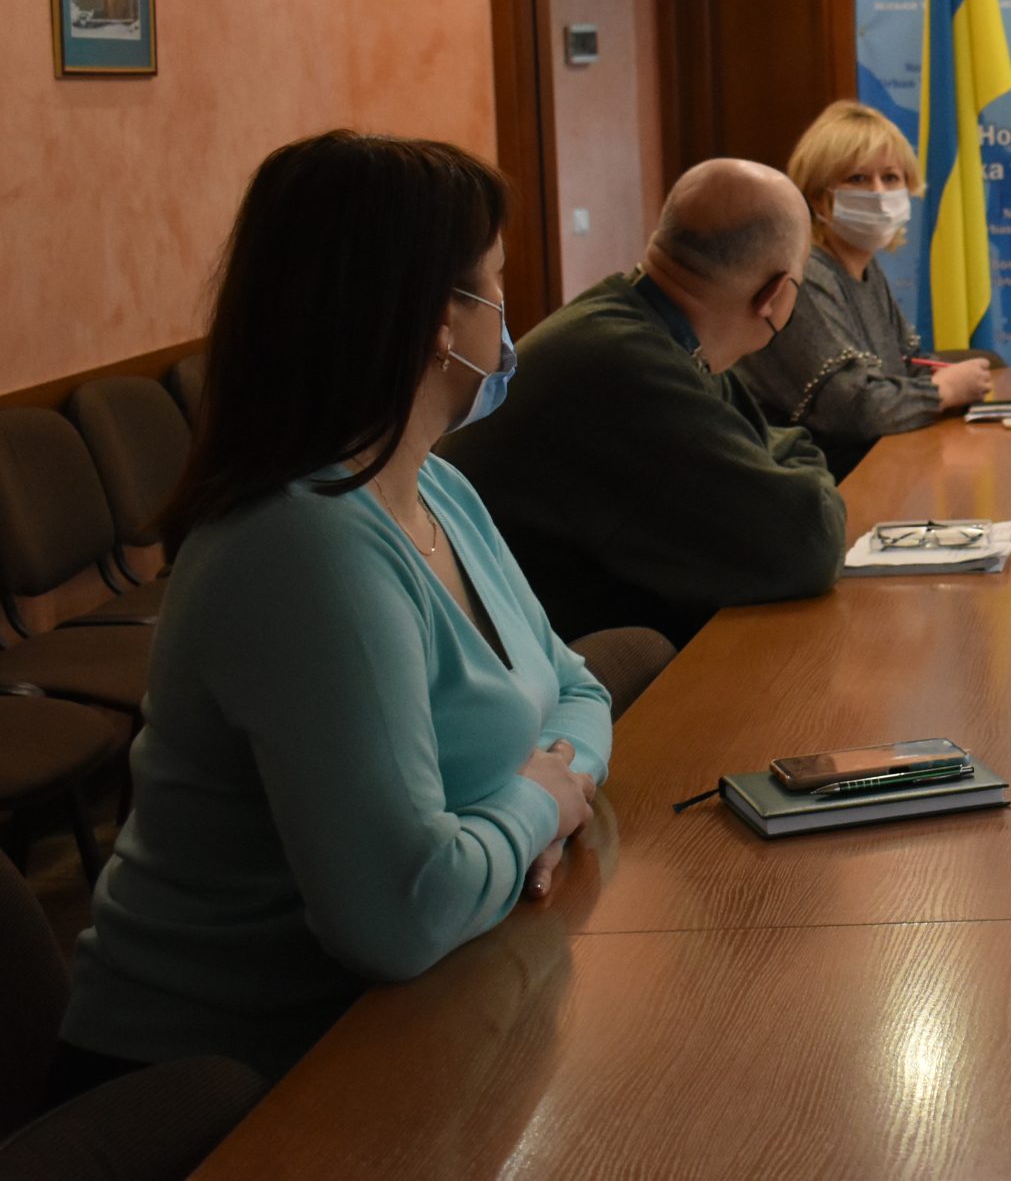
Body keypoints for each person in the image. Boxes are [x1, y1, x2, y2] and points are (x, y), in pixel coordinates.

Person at [59, 132, 611, 1087]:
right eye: (501, 281)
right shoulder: (304, 545)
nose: (512, 318)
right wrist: (535, 806)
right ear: (444, 320)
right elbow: (398, 916)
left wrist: (531, 810)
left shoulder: (436, 487)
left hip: (411, 1009)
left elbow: (577, 685)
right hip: (219, 1089)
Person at [439, 158, 846, 647]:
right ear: (778, 296)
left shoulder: (641, 323)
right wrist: (804, 480)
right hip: (542, 682)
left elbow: (775, 441)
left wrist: (789, 473)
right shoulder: (626, 367)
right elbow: (806, 546)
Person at [737, 101, 993, 480]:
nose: (877, 192)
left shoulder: (863, 266)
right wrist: (941, 391)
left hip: (871, 471)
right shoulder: (803, 277)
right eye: (857, 179)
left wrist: (931, 384)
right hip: (815, 488)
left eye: (891, 178)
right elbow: (855, 409)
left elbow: (906, 366)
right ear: (817, 196)